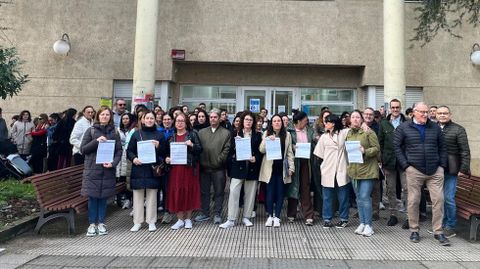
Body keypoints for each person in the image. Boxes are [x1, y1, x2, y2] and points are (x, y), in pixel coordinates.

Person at [394, 102, 449, 246]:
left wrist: (442, 166)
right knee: (413, 201)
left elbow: (443, 147)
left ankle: (438, 232)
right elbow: (397, 147)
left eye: (426, 112)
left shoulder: (435, 127)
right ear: (414, 112)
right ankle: (414, 230)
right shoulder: (404, 127)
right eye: (422, 112)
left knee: (439, 200)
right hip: (414, 169)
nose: (425, 114)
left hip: (435, 170)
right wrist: (406, 166)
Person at [80, 107, 122, 236]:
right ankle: (92, 224)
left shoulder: (114, 131)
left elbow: (119, 151)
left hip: (107, 169)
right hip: (93, 170)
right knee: (93, 198)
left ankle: (102, 223)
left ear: (110, 117)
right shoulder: (91, 130)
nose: (105, 116)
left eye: (107, 114)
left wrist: (113, 163)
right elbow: (83, 149)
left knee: (103, 198)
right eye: (102, 114)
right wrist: (96, 141)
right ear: (98, 116)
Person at [220, 111, 263, 229]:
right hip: (238, 168)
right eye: (246, 120)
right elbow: (230, 152)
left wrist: (256, 158)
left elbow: (261, 153)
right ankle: (231, 219)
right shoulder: (235, 133)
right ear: (242, 121)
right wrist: (235, 144)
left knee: (250, 194)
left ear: (253, 122)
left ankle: (246, 217)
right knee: (233, 192)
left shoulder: (257, 135)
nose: (248, 122)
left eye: (250, 120)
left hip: (252, 168)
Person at [127, 111, 167, 232]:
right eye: (147, 118)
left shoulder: (159, 135)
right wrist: (134, 159)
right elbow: (129, 151)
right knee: (138, 196)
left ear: (155, 120)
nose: (149, 120)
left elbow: (166, 152)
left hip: (152, 169)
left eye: (152, 118)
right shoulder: (136, 134)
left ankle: (151, 221)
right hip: (138, 168)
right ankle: (137, 222)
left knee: (152, 196)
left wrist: (159, 146)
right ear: (143, 120)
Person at [436, 105, 471, 238]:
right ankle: (441, 225)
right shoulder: (433, 128)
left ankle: (450, 226)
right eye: (440, 113)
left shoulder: (458, 129)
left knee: (449, 198)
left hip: (452, 170)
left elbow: (465, 150)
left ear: (450, 115)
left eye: (445, 113)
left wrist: (463, 168)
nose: (442, 115)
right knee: (439, 198)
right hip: (436, 169)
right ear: (436, 115)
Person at [165, 113, 203, 230]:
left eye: (182, 121)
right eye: (177, 121)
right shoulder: (171, 136)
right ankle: (180, 219)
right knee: (177, 192)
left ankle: (188, 219)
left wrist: (192, 145)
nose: (179, 123)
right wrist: (167, 158)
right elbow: (166, 152)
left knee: (189, 192)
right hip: (175, 169)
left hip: (189, 168)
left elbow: (200, 149)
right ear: (174, 123)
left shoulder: (192, 134)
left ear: (186, 123)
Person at [346, 110, 380, 237]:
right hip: (354, 170)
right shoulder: (349, 133)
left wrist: (365, 151)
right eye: (353, 117)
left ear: (362, 119)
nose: (355, 119)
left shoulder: (368, 132)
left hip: (368, 170)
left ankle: (369, 225)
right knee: (359, 198)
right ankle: (362, 222)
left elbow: (376, 149)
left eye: (357, 117)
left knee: (365, 197)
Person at [313, 114, 350, 229]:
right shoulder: (324, 137)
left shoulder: (343, 133)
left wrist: (363, 125)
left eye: (327, 122)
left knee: (343, 196)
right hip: (328, 169)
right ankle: (327, 219)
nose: (325, 124)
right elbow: (318, 154)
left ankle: (344, 219)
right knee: (327, 196)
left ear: (333, 123)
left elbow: (353, 128)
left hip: (341, 168)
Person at [195, 108, 231, 224]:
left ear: (220, 118)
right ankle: (205, 213)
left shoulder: (226, 133)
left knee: (219, 192)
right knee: (204, 192)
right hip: (204, 167)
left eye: (215, 117)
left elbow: (227, 149)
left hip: (218, 168)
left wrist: (219, 160)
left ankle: (217, 214)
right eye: (211, 117)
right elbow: (198, 148)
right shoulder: (202, 132)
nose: (213, 119)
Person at [259, 114, 295, 228]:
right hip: (269, 168)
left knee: (280, 193)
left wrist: (291, 167)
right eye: (274, 121)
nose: (277, 123)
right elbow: (261, 150)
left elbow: (289, 153)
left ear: (282, 122)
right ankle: (270, 215)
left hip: (282, 168)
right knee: (269, 193)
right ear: (271, 123)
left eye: (278, 121)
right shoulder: (266, 133)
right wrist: (267, 139)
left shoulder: (287, 135)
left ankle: (277, 217)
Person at [378, 99, 408, 227]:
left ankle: (408, 216)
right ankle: (393, 215)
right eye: (393, 107)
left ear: (400, 108)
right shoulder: (384, 123)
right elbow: (380, 143)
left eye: (397, 107)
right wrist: (381, 160)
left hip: (404, 161)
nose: (395, 109)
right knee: (390, 189)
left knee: (407, 189)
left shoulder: (407, 122)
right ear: (389, 109)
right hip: (389, 161)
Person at [286, 111, 315, 225]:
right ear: (298, 121)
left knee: (305, 187)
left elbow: (313, 144)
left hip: (306, 162)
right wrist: (292, 146)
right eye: (304, 121)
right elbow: (286, 145)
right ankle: (291, 214)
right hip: (294, 161)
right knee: (293, 187)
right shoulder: (290, 131)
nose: (306, 122)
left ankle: (308, 215)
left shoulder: (309, 131)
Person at [362, 107, 381, 220]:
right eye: (366, 114)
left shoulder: (378, 128)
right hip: (361, 161)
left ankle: (375, 211)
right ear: (363, 115)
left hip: (374, 160)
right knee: (362, 188)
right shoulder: (357, 127)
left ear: (374, 116)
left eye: (371, 114)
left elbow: (380, 145)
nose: (368, 116)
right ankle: (363, 209)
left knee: (375, 188)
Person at [311, 110, 331, 215]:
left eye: (328, 117)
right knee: (319, 184)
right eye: (324, 117)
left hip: (331, 159)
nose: (326, 119)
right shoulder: (317, 126)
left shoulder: (333, 127)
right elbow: (315, 138)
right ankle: (319, 208)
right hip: (318, 159)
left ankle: (330, 208)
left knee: (330, 184)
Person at [116, 113, 135, 209]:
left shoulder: (133, 130)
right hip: (120, 156)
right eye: (123, 119)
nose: (125, 120)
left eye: (127, 118)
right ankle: (123, 198)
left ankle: (129, 198)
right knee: (121, 178)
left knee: (128, 178)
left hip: (128, 156)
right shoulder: (118, 130)